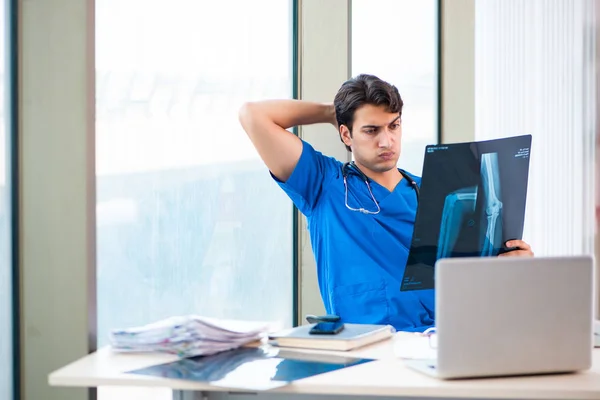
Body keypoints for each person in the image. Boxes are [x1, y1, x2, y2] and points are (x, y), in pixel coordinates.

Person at [238, 74, 533, 332]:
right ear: (346, 134)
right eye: (371, 130)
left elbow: (476, 282)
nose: (387, 141)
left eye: (394, 126)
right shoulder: (323, 185)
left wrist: (512, 266)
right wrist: (333, 112)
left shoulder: (435, 192)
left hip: (443, 343)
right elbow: (253, 115)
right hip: (369, 356)